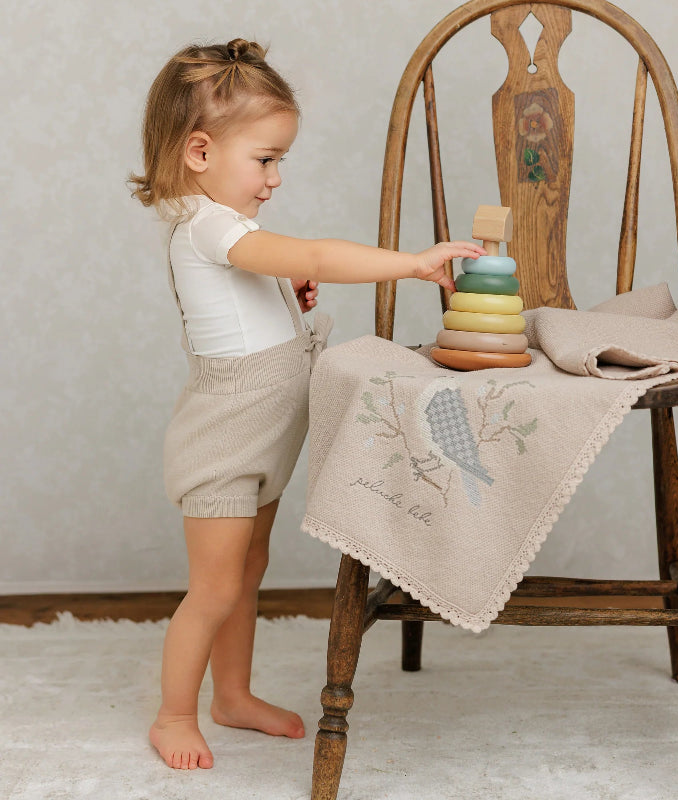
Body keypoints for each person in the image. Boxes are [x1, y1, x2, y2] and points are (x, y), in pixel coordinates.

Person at [129, 38, 485, 771]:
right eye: (265, 159)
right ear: (199, 151)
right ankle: (174, 715)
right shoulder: (210, 226)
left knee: (247, 570)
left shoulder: (224, 230)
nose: (275, 178)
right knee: (216, 586)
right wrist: (413, 263)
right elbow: (318, 254)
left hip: (263, 432)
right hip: (225, 439)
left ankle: (233, 695)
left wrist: (281, 291)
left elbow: (258, 292)